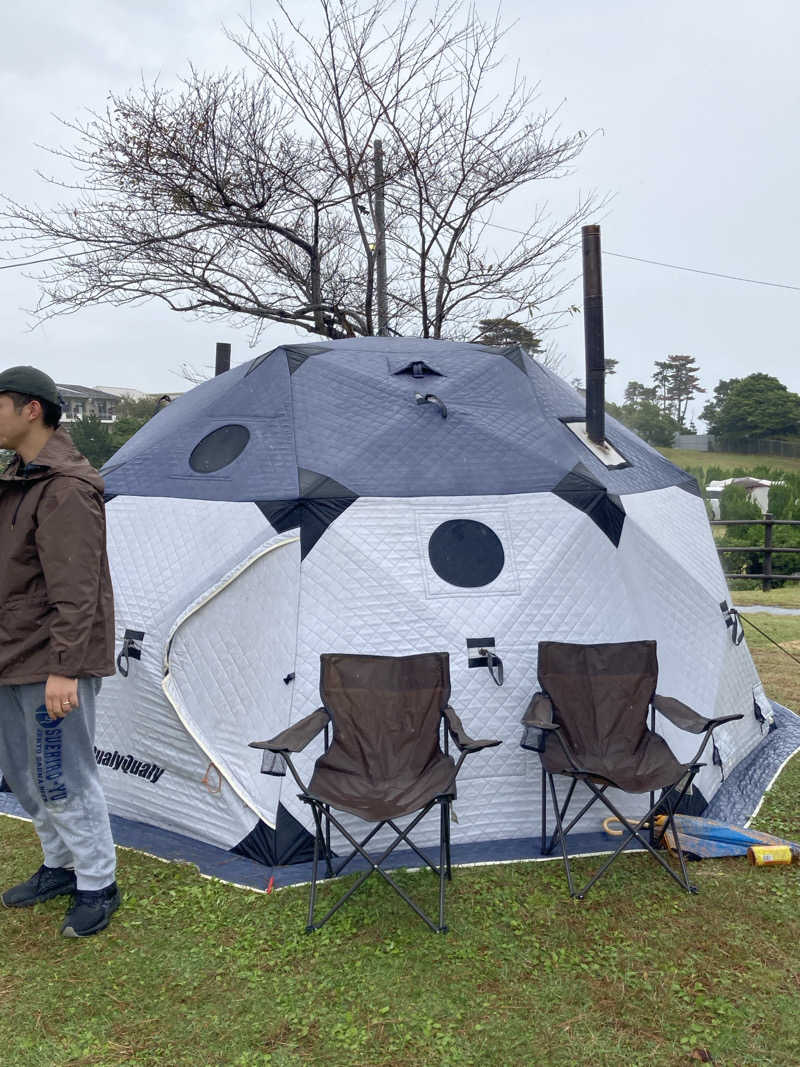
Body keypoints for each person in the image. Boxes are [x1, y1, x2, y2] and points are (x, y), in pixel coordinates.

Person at [0, 366, 119, 937]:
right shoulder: (21, 477)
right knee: (23, 777)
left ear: (30, 410)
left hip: (51, 660)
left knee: (61, 775)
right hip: (10, 653)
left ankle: (98, 883)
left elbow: (77, 587)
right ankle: (60, 865)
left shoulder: (67, 488)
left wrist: (66, 669)